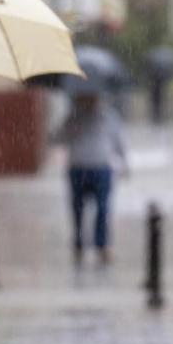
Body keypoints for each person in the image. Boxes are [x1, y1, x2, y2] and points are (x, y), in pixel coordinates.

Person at [55, 88, 128, 264]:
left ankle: (101, 246)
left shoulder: (108, 116)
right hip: (78, 168)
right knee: (77, 209)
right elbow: (58, 138)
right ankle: (79, 245)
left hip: (101, 168)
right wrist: (74, 127)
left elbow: (119, 140)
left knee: (102, 209)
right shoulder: (73, 116)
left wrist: (124, 162)